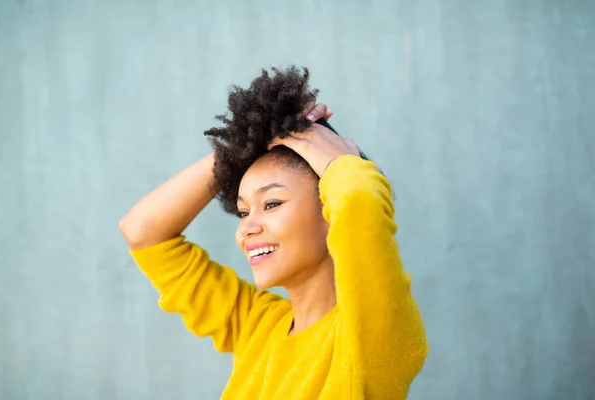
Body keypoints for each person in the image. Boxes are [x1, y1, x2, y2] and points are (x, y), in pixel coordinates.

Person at [119, 66, 428, 399]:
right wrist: (242, 145)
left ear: (330, 210)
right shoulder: (259, 325)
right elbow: (144, 233)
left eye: (272, 203)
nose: (247, 229)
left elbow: (358, 199)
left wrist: (335, 157)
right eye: (243, 211)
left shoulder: (372, 334)